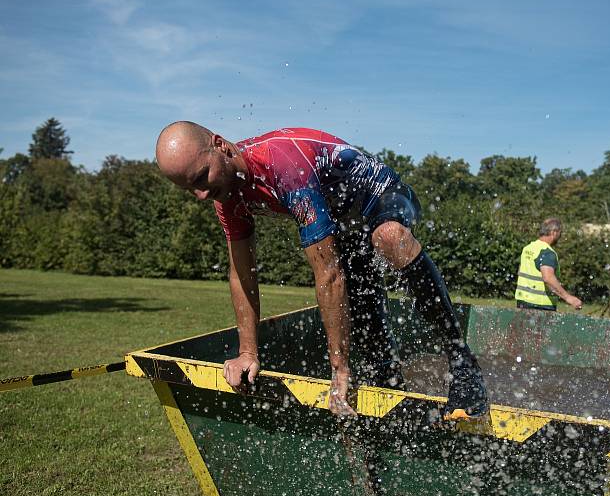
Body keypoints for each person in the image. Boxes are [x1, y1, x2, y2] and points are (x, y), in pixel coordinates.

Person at [154, 122, 488, 420]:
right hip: (346, 226)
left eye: (201, 177)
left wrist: (339, 368)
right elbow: (242, 272)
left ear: (221, 146)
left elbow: (328, 273)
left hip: (381, 196)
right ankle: (391, 387)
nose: (200, 194)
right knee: (370, 341)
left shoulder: (283, 165)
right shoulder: (226, 196)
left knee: (388, 237)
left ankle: (462, 362)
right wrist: (247, 353)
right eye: (189, 188)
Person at [515, 218, 582, 311]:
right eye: (560, 233)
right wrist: (568, 298)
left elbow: (520, 272)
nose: (560, 236)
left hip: (522, 302)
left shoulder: (528, 248)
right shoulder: (547, 252)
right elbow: (548, 278)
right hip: (541, 305)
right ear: (554, 232)